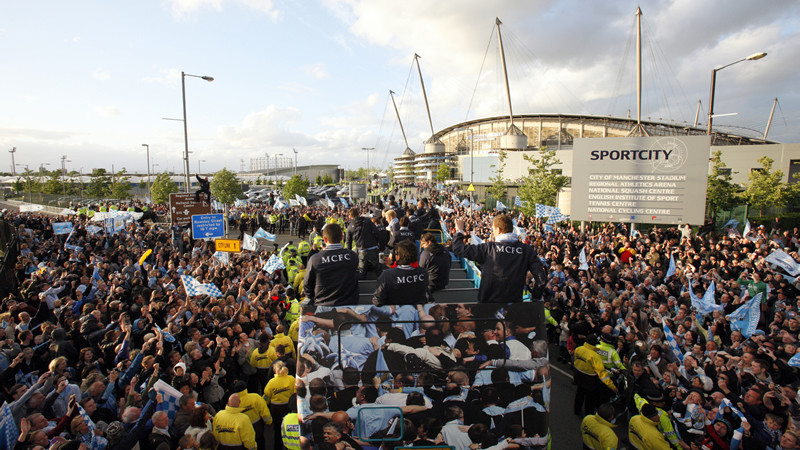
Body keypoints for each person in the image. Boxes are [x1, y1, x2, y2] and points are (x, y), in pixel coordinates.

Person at [451, 214, 547, 302]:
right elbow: (541, 279)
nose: (492, 232)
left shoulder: (488, 248)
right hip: (514, 308)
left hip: (489, 307)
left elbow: (459, 249)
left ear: (499, 230)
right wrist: (535, 297)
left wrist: (459, 231)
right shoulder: (526, 250)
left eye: (493, 229)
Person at [303, 223, 359, 306]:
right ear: (342, 237)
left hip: (323, 305)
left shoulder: (315, 259)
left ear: (325, 239)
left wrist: (313, 297)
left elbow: (307, 285)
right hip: (349, 305)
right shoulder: (352, 256)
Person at [372, 239, 431, 306]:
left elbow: (377, 301)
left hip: (395, 314)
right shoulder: (423, 273)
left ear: (398, 256)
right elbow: (428, 297)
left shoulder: (387, 275)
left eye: (396, 254)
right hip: (417, 314)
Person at [573, 334, 618, 416]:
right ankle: (588, 415)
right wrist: (612, 386)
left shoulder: (578, 349)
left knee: (579, 394)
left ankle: (576, 410)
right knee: (590, 399)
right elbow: (602, 374)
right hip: (590, 379)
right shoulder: (595, 356)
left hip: (579, 375)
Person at [345, 208, 382, 279]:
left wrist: (349, 255)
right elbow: (376, 231)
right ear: (358, 213)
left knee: (362, 271)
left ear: (350, 216)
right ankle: (383, 285)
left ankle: (362, 288)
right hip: (373, 248)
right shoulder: (367, 220)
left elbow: (348, 242)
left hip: (361, 251)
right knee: (378, 269)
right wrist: (377, 242)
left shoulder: (349, 227)